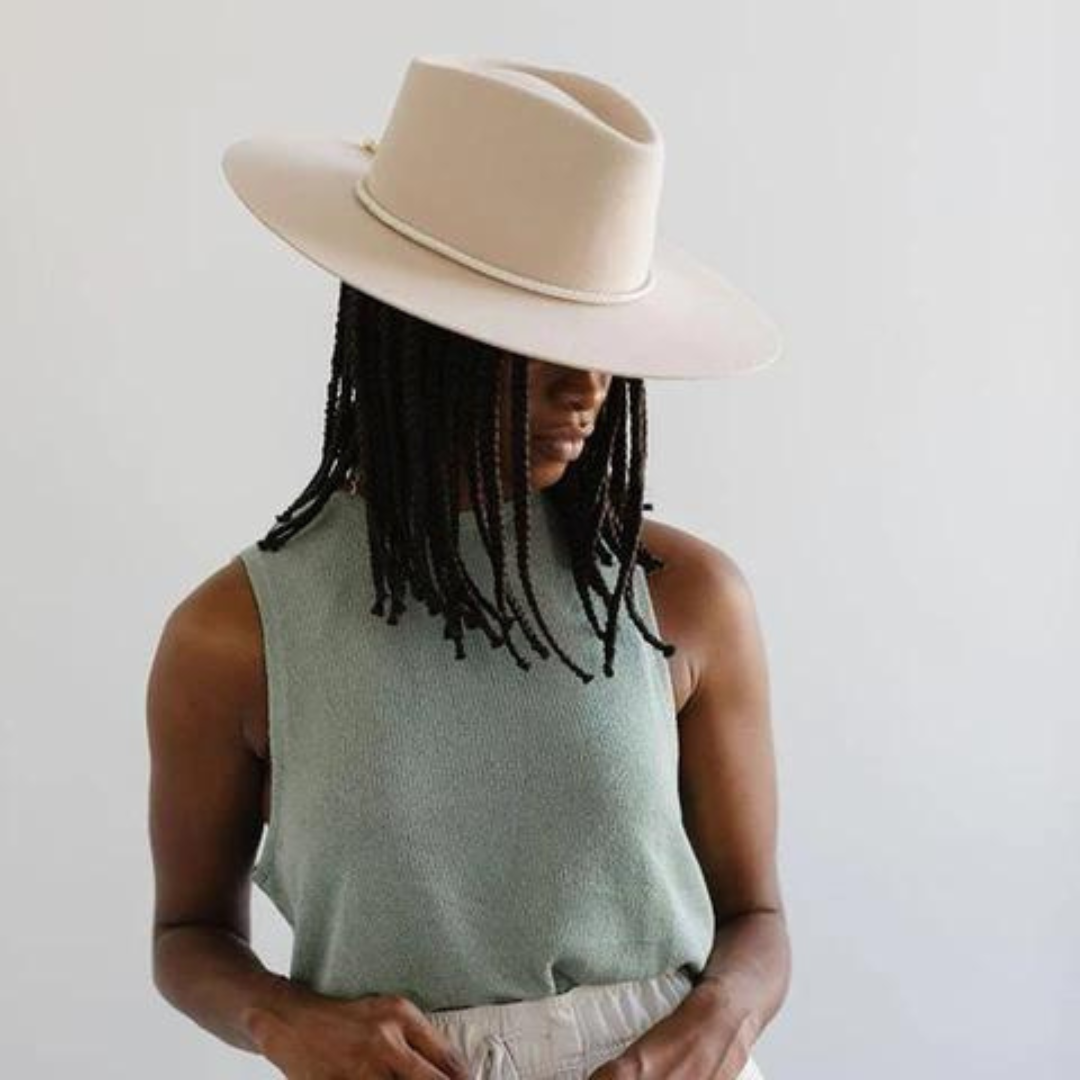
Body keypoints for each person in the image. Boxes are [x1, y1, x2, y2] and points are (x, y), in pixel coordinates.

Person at [147, 54, 790, 1079]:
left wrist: (716, 1026)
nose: (588, 388)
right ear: (413, 332)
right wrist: (284, 1020)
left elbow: (758, 920)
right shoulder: (236, 634)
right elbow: (187, 934)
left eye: (602, 338)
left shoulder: (681, 597)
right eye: (537, 337)